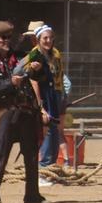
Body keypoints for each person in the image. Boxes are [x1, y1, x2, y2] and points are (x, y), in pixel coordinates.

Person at [0, 21, 45, 203]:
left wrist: (37, 69)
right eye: (3, 38)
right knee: (1, 154)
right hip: (4, 113)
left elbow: (38, 76)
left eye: (9, 37)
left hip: (25, 111)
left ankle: (32, 195)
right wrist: (10, 83)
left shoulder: (21, 56)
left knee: (31, 154)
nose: (7, 41)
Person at [22, 22, 63, 171]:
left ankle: (51, 166)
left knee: (54, 130)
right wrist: (40, 106)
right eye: (45, 38)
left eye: (50, 38)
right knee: (47, 130)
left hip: (53, 96)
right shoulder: (36, 55)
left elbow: (58, 76)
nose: (48, 41)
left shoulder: (54, 54)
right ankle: (45, 167)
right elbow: (33, 80)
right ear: (38, 39)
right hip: (42, 97)